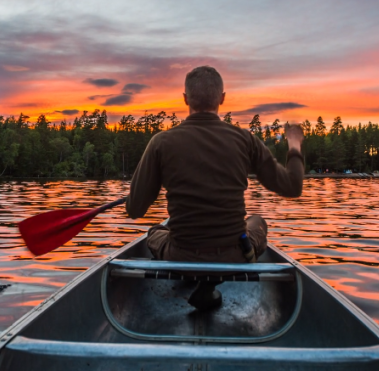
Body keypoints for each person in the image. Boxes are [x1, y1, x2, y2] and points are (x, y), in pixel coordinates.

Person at [126, 65, 304, 309]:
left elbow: (135, 210)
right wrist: (294, 145)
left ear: (186, 99)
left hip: (181, 256)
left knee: (155, 232)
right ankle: (209, 284)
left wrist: (147, 186)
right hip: (237, 255)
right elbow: (292, 187)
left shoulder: (161, 142)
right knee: (257, 221)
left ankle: (200, 282)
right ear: (222, 98)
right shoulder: (245, 140)